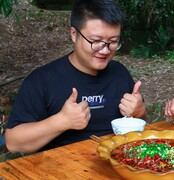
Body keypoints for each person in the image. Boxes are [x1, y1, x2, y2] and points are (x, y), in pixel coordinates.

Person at [5, 0, 146, 153]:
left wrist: (140, 113)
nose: (105, 50)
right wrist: (61, 121)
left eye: (113, 42)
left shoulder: (120, 73)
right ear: (74, 34)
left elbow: (141, 125)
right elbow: (13, 143)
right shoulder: (41, 80)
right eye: (96, 41)